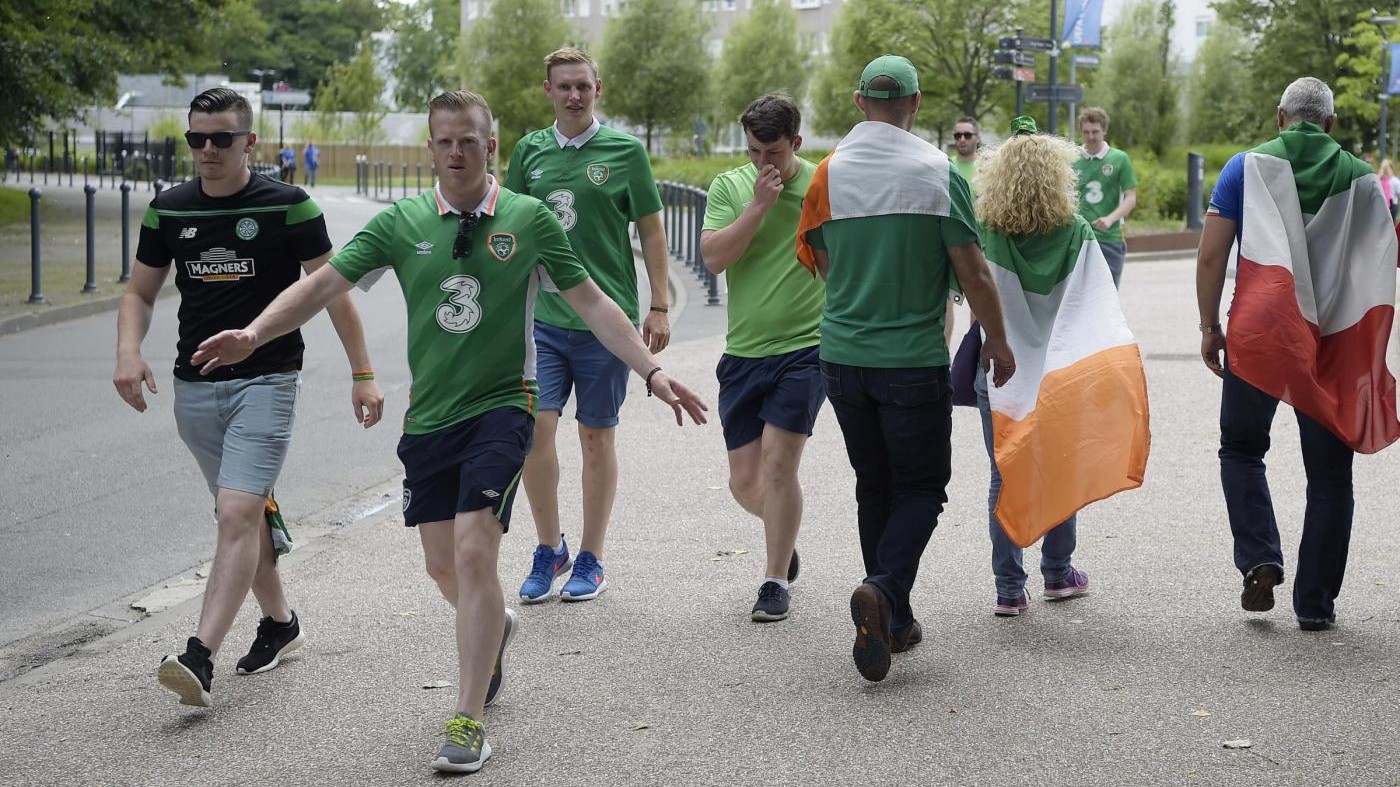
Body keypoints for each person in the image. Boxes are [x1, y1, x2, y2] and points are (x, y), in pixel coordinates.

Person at [191, 90, 707, 773]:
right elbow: (319, 286)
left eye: (469, 140)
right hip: (430, 418)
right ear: (430, 148)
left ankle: (467, 718)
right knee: (444, 565)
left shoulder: (525, 220)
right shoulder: (402, 223)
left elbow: (594, 302)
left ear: (492, 147)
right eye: (444, 141)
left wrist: (651, 371)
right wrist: (255, 333)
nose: (457, 152)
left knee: (472, 552)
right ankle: (491, 625)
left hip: (504, 405)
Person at [112, 86, 384, 709]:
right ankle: (281, 622)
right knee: (243, 512)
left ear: (250, 142)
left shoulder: (288, 206)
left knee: (235, 515)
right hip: (194, 388)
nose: (207, 150)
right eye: (196, 139)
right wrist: (129, 350)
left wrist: (362, 372)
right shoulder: (168, 209)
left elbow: (333, 289)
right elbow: (140, 294)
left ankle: (197, 657)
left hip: (268, 379)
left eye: (222, 139)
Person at [796, 55, 1015, 683]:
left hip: (840, 356)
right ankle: (886, 591)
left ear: (860, 102)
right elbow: (973, 272)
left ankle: (895, 619)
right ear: (915, 106)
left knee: (875, 484)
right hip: (911, 361)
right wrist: (997, 341)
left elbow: (823, 264)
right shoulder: (939, 172)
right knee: (922, 488)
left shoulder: (828, 176)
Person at [1197, 77, 1400, 632]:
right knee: (1331, 477)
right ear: (1330, 123)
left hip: (1262, 331)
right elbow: (1379, 265)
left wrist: (1210, 325)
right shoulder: (1363, 180)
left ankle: (1260, 556)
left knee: (1240, 448)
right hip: (1332, 337)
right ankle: (1315, 605)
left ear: (1279, 115)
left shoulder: (1245, 167)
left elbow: (1213, 255)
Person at [505, 47, 671, 605]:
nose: (574, 95)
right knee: (535, 433)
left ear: (598, 88)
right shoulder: (528, 152)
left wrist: (659, 304)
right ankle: (550, 548)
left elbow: (650, 232)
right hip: (544, 321)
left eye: (583, 85)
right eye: (563, 86)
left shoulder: (625, 151)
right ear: (547, 89)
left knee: (596, 437)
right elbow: (508, 231)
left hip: (607, 320)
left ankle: (592, 558)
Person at [971, 116, 1149, 617]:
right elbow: (1098, 305)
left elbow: (966, 293)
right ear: (1058, 177)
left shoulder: (984, 232)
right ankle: (1057, 572)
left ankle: (1009, 586)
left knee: (1003, 472)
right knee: (1062, 465)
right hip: (1061, 373)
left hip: (1001, 370)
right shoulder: (1078, 232)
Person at [699, 94, 824, 622]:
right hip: (745, 351)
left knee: (779, 463)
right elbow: (714, 258)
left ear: (795, 143)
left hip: (807, 346)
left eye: (771, 152)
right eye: (753, 151)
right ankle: (783, 536)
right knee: (744, 482)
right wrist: (758, 206)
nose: (762, 163)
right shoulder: (731, 186)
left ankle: (774, 581)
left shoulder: (822, 183)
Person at [1074, 107, 1137, 288]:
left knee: (1107, 295)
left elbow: (1130, 197)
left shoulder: (1119, 159)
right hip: (1078, 239)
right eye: (1086, 132)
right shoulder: (1072, 159)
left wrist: (1110, 219)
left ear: (1104, 130)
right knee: (1078, 298)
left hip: (1109, 238)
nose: (1091, 137)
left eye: (1095, 132)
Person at [951, 116, 980, 194]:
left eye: (967, 135)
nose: (962, 139)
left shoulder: (988, 167)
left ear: (978, 138)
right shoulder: (947, 165)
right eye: (958, 136)